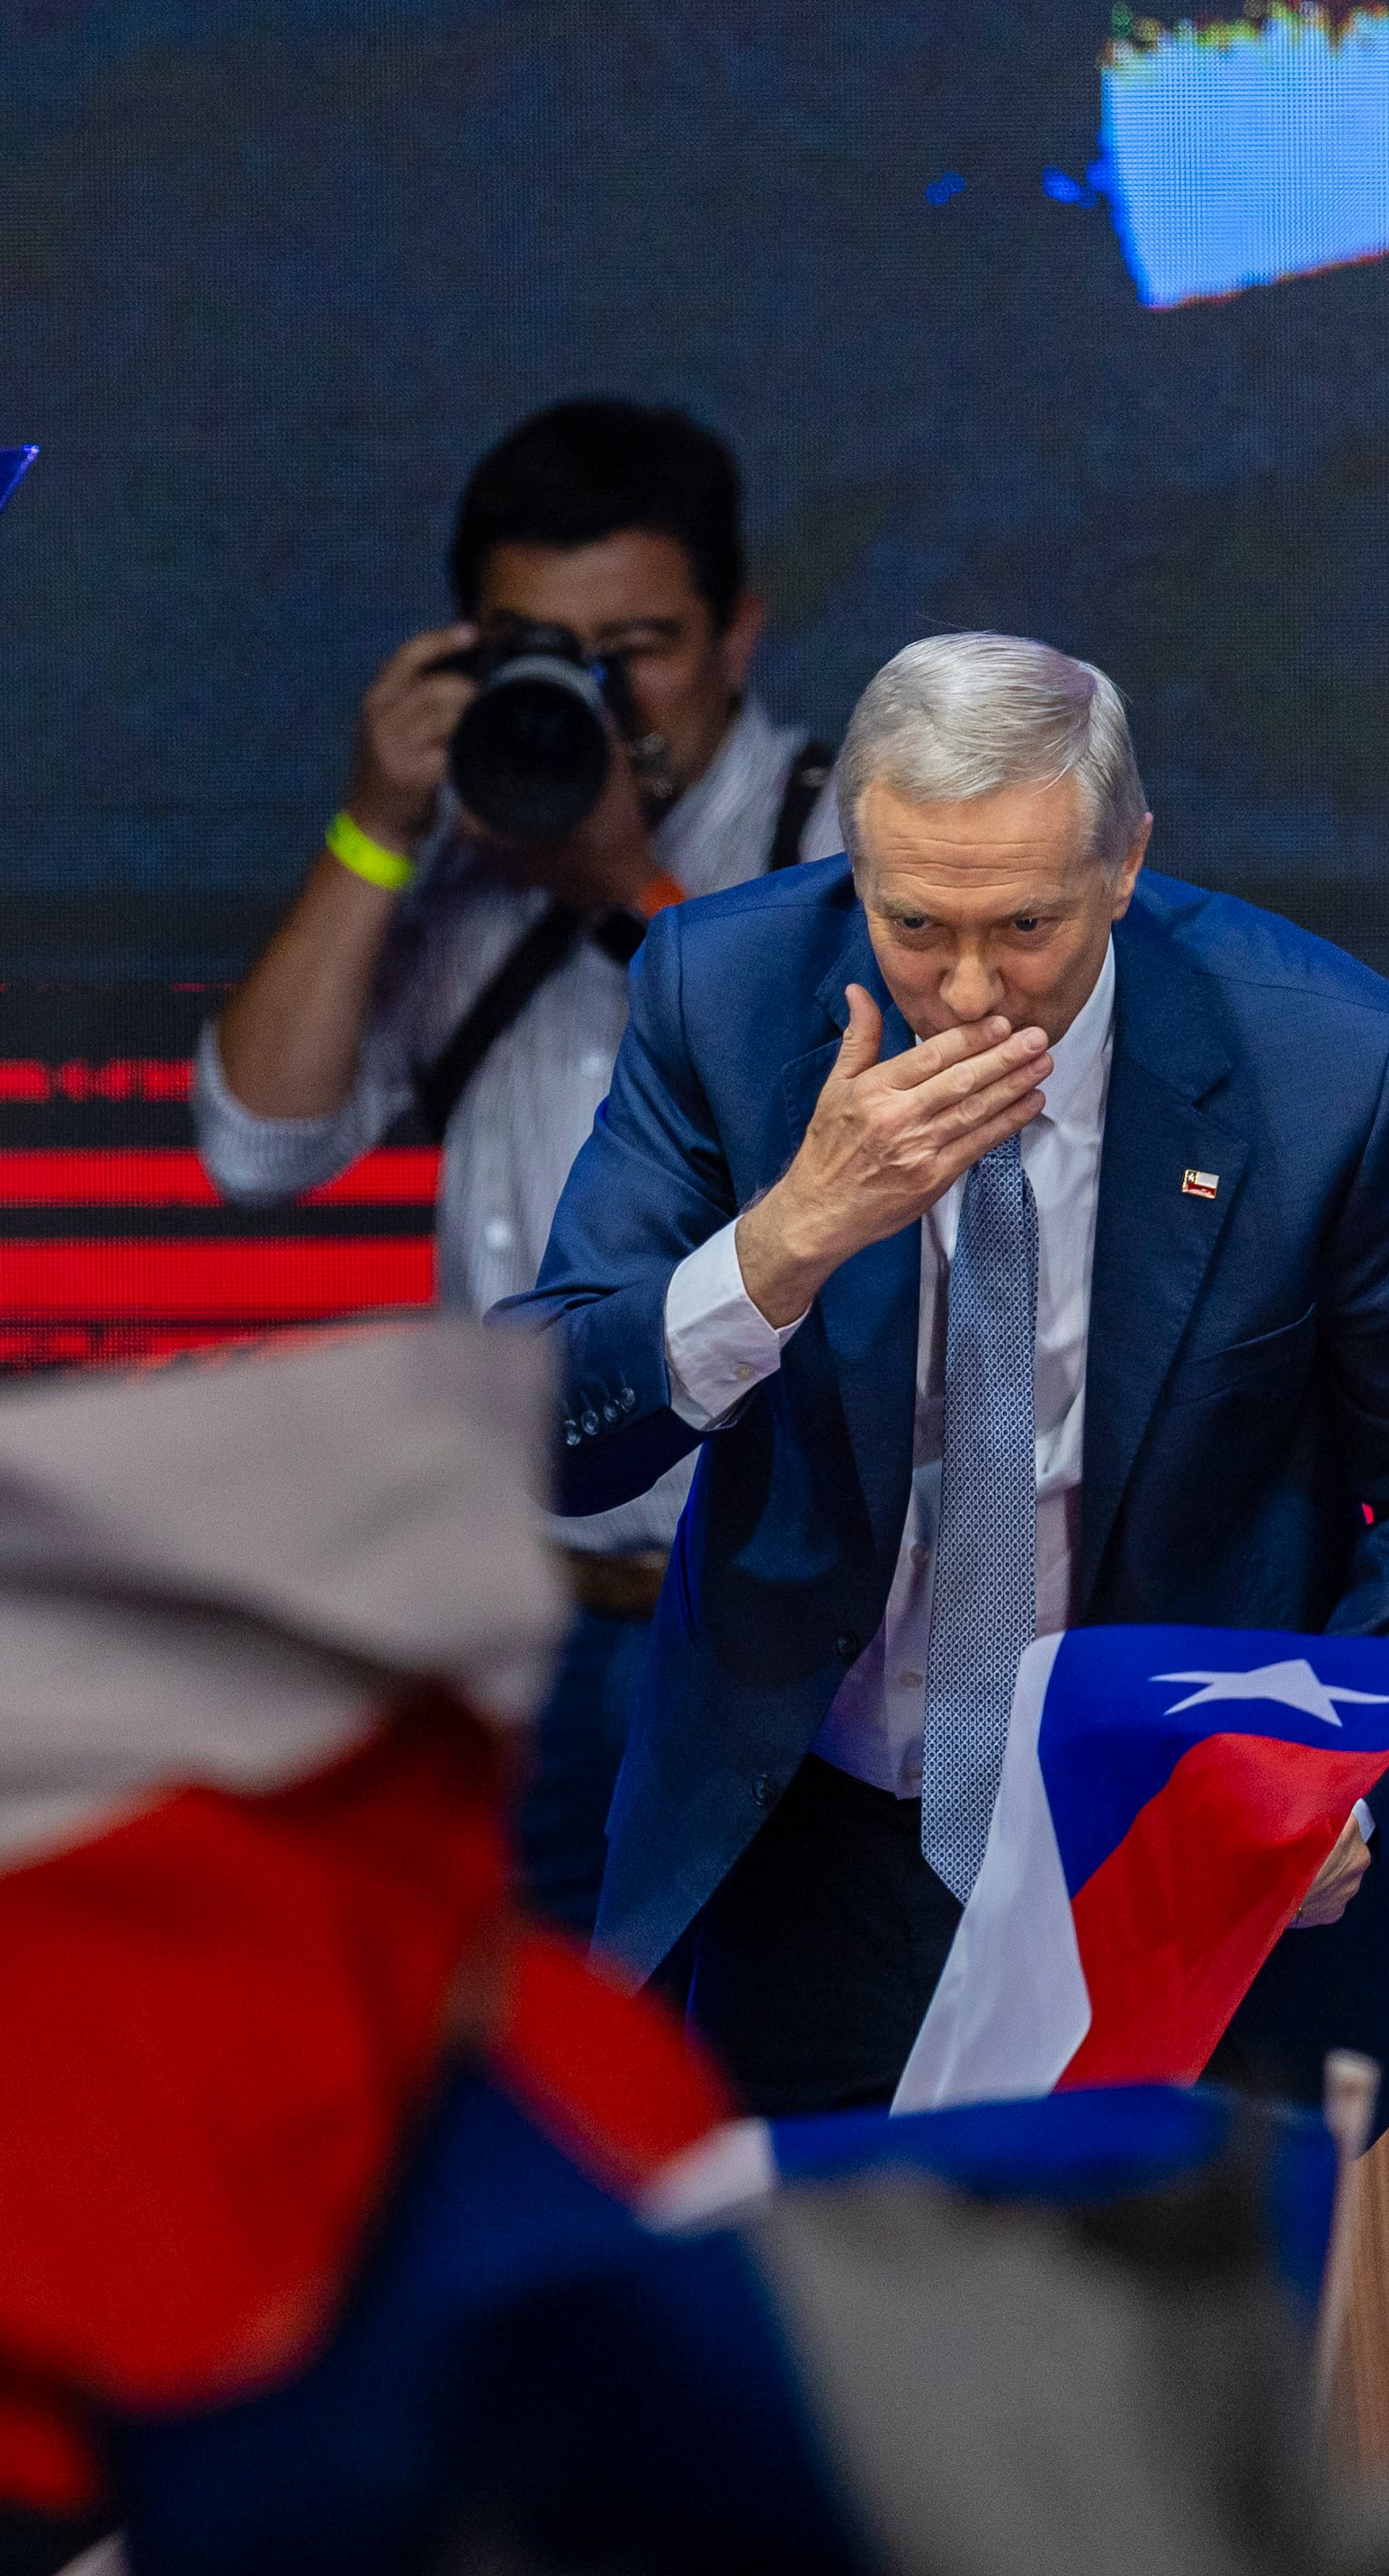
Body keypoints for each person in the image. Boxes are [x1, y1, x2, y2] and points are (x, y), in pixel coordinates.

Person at [514, 631, 1389, 2119]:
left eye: (1024, 924)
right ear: (853, 858)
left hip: (1170, 1857)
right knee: (813, 2345)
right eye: (913, 920)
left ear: (1125, 862)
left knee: (1142, 2350)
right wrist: (788, 1239)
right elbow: (546, 1419)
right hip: (814, 1844)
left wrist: (1311, 1770)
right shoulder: (728, 996)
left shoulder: (1326, 1061)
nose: (966, 990)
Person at [194, 399, 844, 1933]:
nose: (595, 693)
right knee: (523, 2104)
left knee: (762, 2083)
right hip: (511, 1629)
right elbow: (257, 1140)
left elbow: (850, 1151)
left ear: (737, 632)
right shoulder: (453, 855)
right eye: (537, 645)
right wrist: (373, 825)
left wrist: (626, 885)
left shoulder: (843, 831)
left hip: (763, 1629)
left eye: (640, 645)